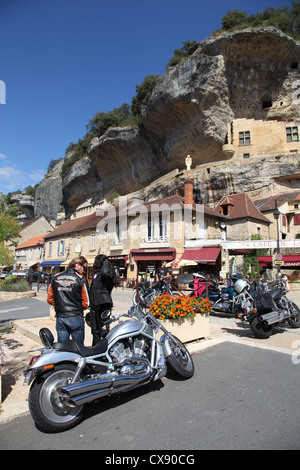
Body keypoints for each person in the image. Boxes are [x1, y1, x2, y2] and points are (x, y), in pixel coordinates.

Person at [47, 256, 89, 344]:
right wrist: (76, 306)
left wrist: (60, 304)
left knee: (63, 348)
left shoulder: (56, 277)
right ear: (78, 265)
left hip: (60, 316)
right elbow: (86, 303)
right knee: (78, 348)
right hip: (75, 316)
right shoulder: (81, 279)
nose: (84, 271)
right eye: (84, 268)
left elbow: (50, 299)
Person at [89, 254, 116, 345]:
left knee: (104, 330)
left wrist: (105, 262)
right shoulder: (97, 273)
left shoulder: (106, 274)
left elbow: (105, 273)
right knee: (95, 330)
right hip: (94, 304)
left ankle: (105, 350)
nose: (95, 263)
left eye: (97, 261)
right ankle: (95, 349)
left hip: (103, 303)